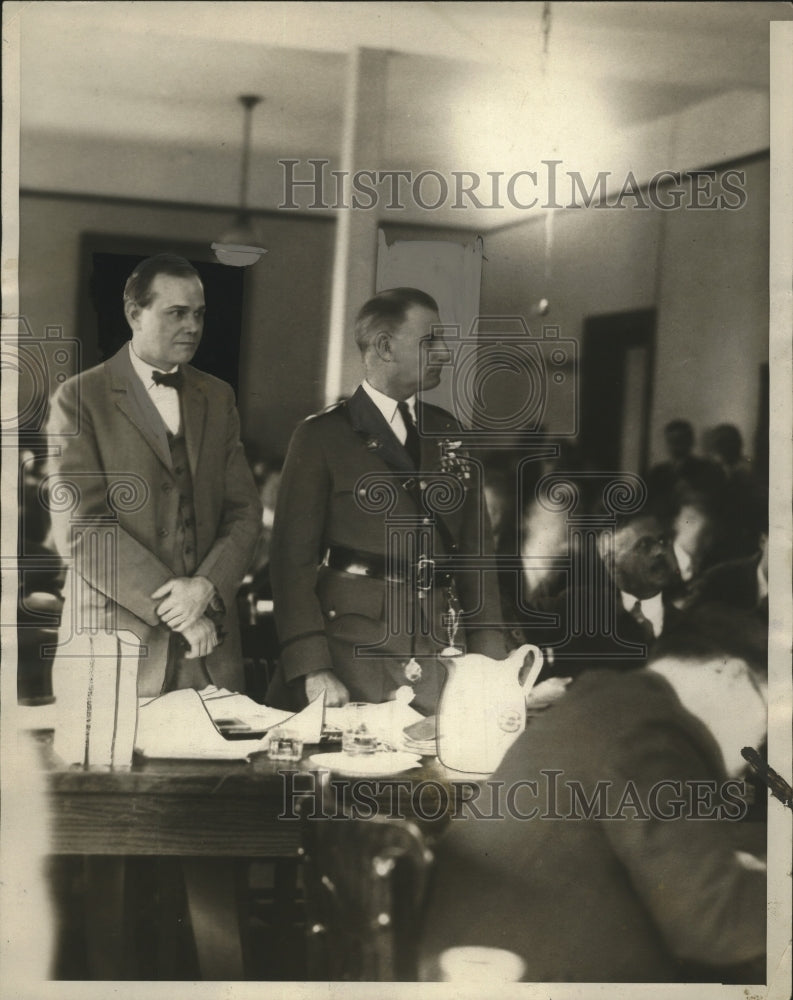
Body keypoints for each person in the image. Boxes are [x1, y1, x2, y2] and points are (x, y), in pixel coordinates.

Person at [420, 613, 768, 983]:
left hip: (484, 958)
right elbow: (715, 923)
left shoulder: (607, 705)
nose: (754, 755)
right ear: (730, 674)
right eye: (766, 723)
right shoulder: (652, 731)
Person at [267, 287, 506, 712]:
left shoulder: (450, 433)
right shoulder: (323, 436)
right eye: (430, 341)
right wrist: (311, 667)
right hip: (353, 653)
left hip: (439, 650)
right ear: (384, 346)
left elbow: (477, 559)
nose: (445, 354)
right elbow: (291, 562)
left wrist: (489, 661)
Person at [46, 253, 263, 697]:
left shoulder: (218, 397)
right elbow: (83, 528)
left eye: (199, 314)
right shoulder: (80, 398)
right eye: (177, 313)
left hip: (209, 654)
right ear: (134, 314)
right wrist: (177, 605)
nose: (193, 326)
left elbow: (244, 511)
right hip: (114, 647)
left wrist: (205, 587)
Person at [531, 509, 683, 677]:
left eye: (662, 541)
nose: (659, 551)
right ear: (612, 565)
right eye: (644, 545)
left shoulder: (687, 621)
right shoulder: (575, 606)